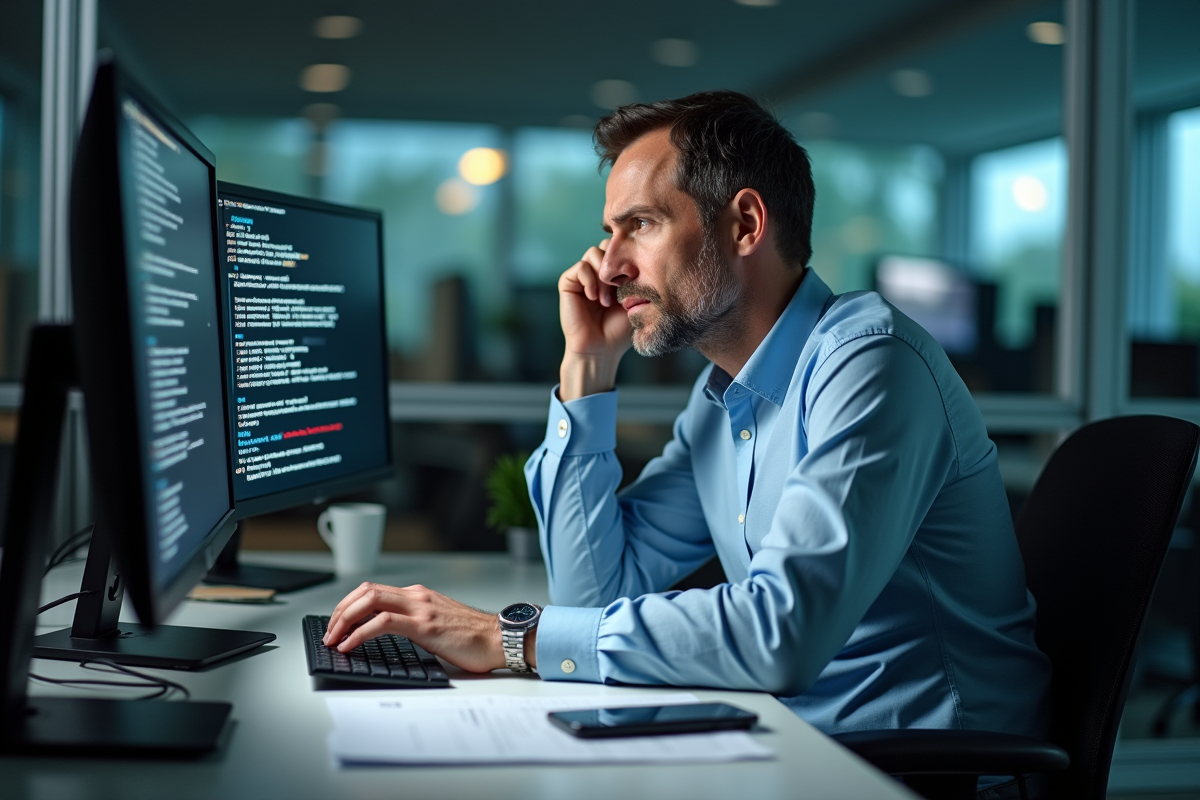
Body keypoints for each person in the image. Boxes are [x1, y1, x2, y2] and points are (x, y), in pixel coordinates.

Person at [323, 91, 1051, 784]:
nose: (607, 267)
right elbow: (594, 593)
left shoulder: (870, 365)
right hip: (793, 745)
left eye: (639, 224)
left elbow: (782, 634)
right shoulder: (722, 400)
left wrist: (512, 637)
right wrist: (587, 367)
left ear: (744, 225)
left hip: (922, 774)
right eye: (608, 234)